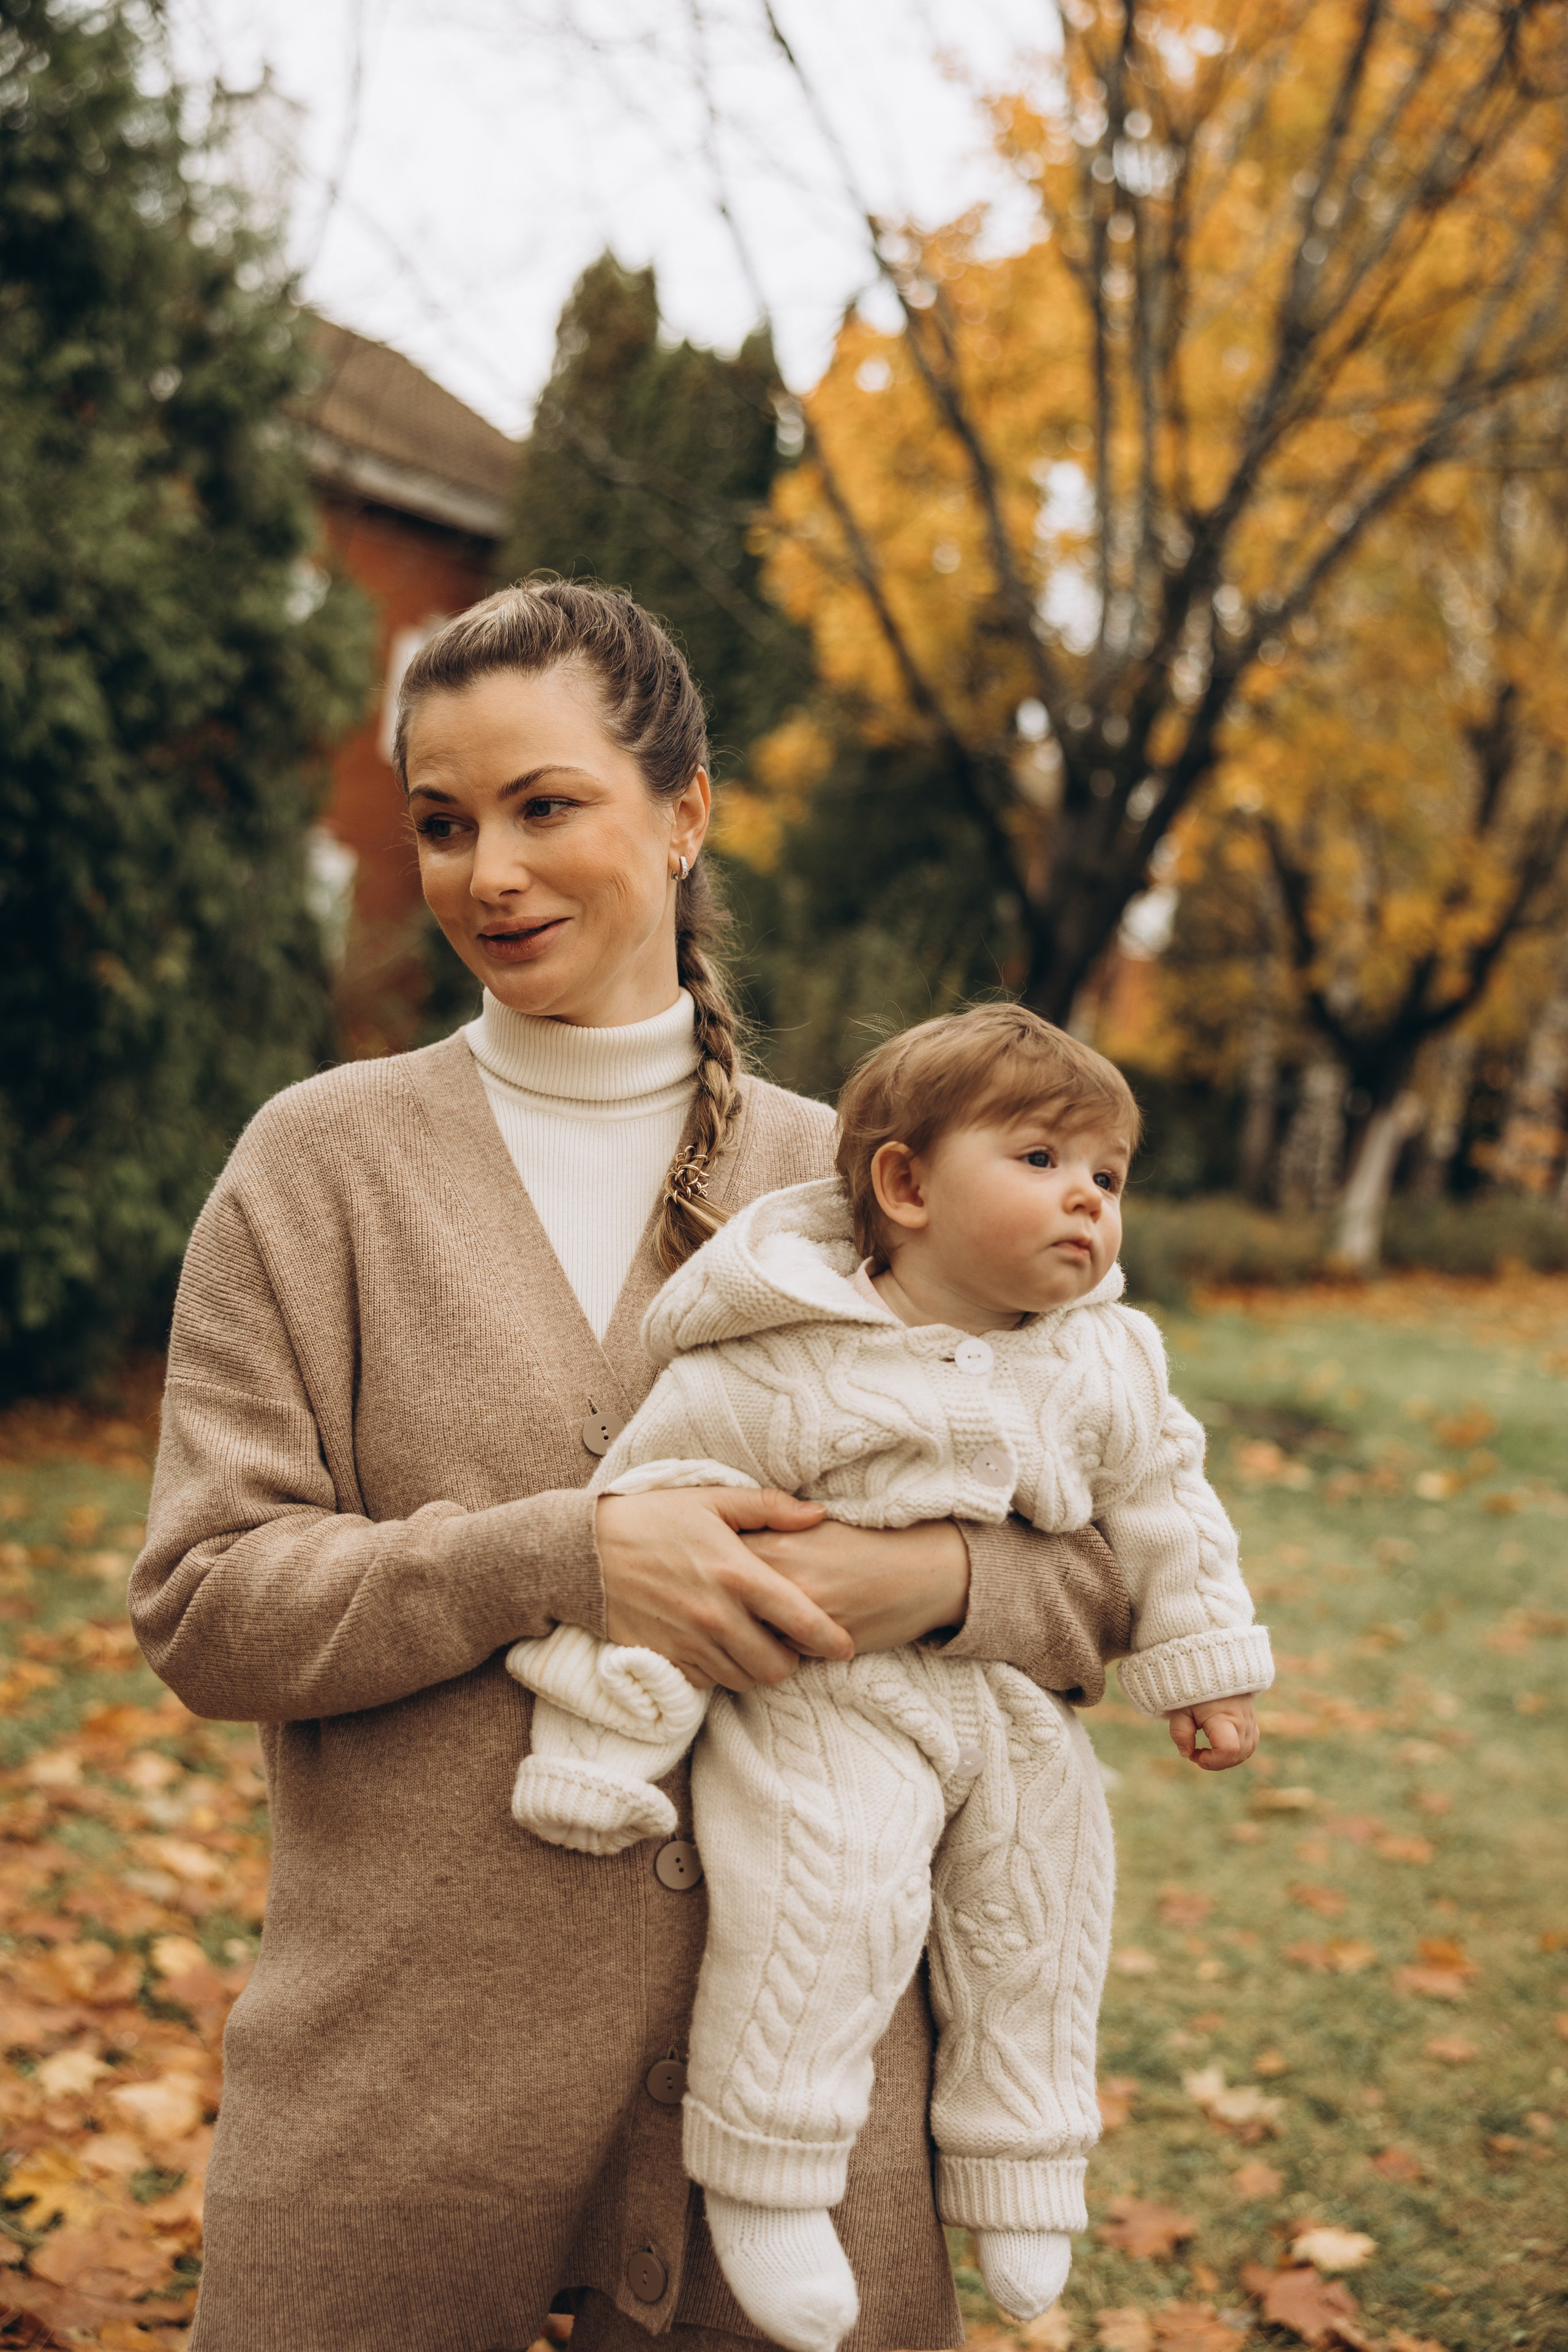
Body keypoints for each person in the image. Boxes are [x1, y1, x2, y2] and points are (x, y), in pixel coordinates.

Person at [129, 579, 1137, 2352]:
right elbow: (211, 1606)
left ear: (684, 814)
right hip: (397, 2099)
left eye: (543, 807)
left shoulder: (876, 1188)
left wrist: (934, 1582)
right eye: (441, 825)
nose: (486, 875)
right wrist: (568, 1558)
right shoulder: (321, 1167)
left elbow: (1109, 1573)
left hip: (790, 2124)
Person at [508, 1008, 1273, 2352]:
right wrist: (605, 1726)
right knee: (830, 1894)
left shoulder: (1105, 1359)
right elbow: (649, 1506)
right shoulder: (785, 1355)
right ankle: (769, 2170)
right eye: (1040, 1159)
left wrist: (1200, 1664)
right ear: (906, 1187)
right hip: (821, 1700)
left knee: (1042, 1908)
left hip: (1006, 1711)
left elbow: (1162, 1510)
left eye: (1107, 1176)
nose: (1086, 1200)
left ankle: (1025, 2164)